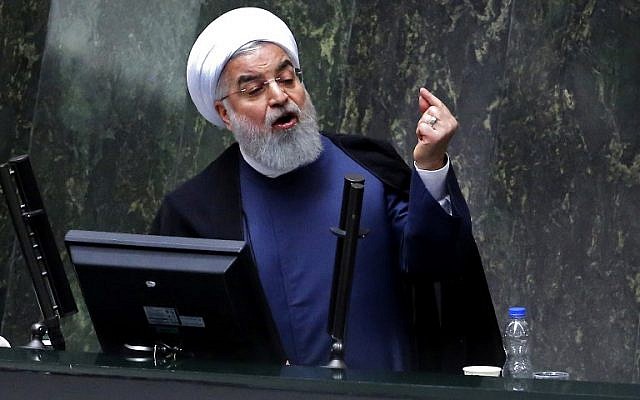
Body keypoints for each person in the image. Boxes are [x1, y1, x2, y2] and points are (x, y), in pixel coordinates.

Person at [151, 7, 503, 372]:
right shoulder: (195, 212)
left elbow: (437, 264)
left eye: (287, 79)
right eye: (254, 89)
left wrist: (429, 164)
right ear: (225, 114)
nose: (279, 97)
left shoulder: (370, 168)